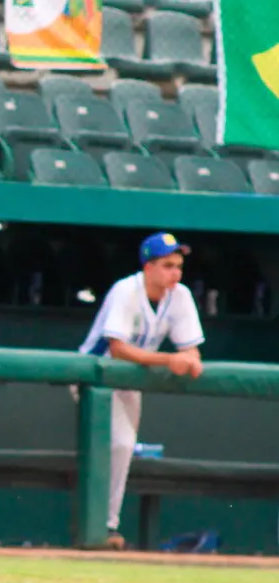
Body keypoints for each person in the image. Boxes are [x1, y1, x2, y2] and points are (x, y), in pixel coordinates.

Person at [78, 232, 205, 550]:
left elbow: (189, 348)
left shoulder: (181, 295)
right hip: (93, 376)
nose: (175, 272)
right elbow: (117, 348)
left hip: (129, 382)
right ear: (148, 266)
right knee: (119, 444)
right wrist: (171, 360)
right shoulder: (126, 290)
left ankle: (104, 525)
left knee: (122, 446)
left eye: (178, 265)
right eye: (167, 265)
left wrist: (191, 359)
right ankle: (104, 527)